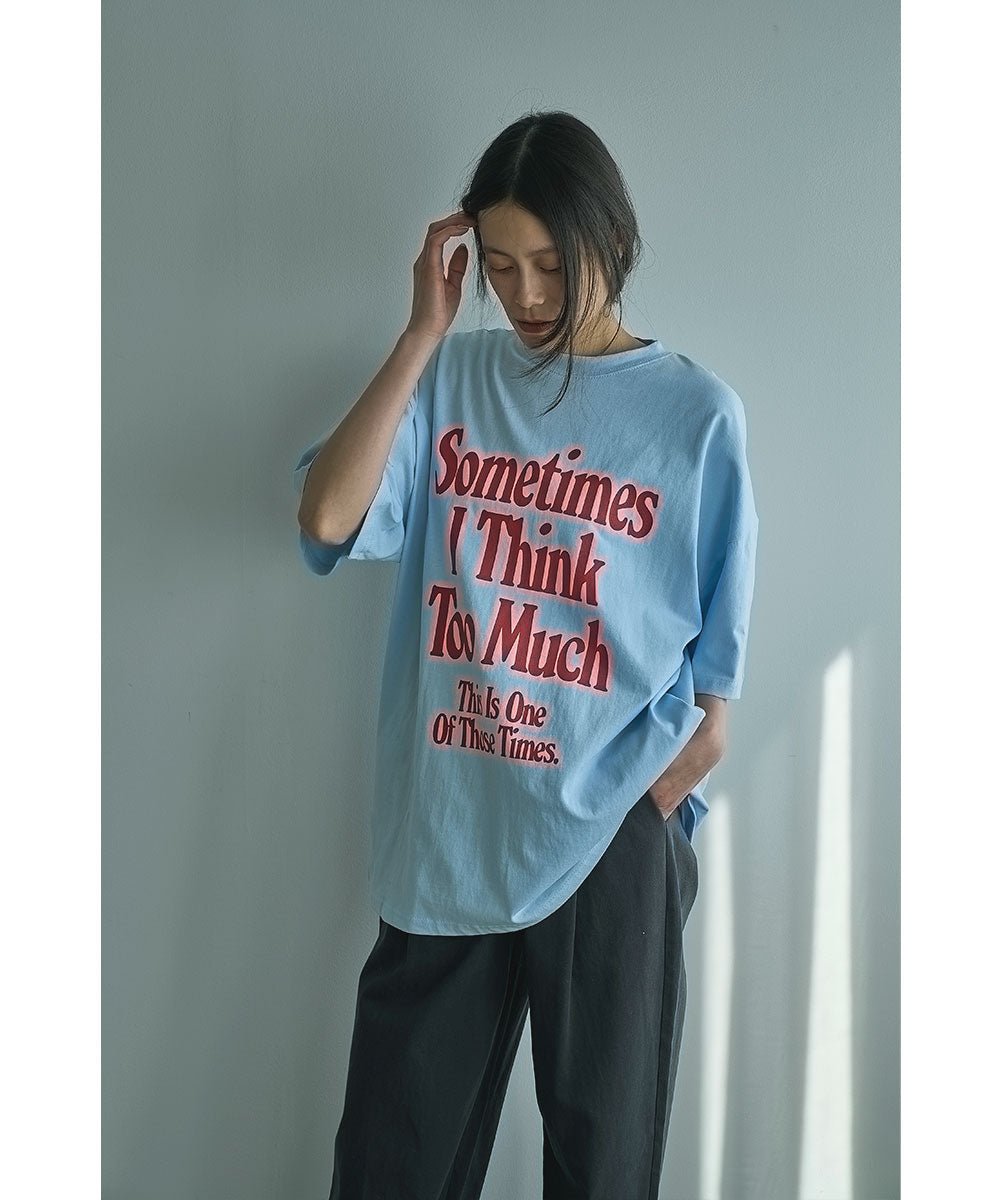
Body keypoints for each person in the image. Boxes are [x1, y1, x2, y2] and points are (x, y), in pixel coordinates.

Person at [292, 110, 759, 1200]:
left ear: (612, 241)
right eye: (500, 267)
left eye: (551, 263)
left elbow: (714, 697)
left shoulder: (697, 418)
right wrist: (421, 334)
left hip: (606, 835)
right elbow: (325, 517)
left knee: (603, 1173)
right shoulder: (451, 380)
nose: (527, 294)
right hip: (451, 829)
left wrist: (641, 808)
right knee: (391, 1168)